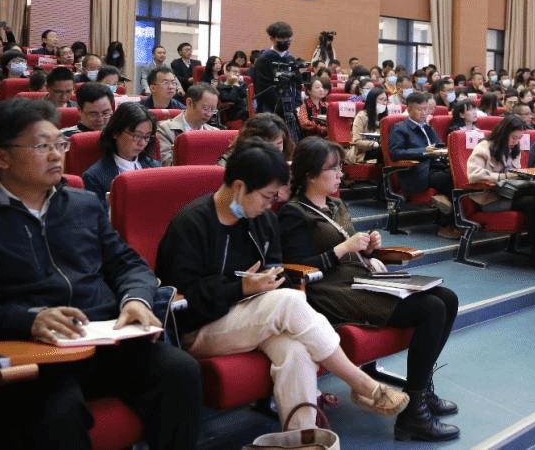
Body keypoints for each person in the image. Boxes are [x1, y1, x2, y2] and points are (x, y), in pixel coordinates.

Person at [0, 98, 201, 449]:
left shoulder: (83, 204)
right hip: (36, 353)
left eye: (59, 144)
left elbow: (128, 264)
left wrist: (136, 299)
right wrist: (28, 319)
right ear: (1, 157)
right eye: (42, 146)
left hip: (103, 338)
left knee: (180, 371)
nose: (55, 155)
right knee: (57, 413)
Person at [155, 139, 409, 434]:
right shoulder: (191, 224)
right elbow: (183, 299)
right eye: (266, 196)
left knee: (295, 351)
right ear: (239, 187)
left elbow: (279, 272)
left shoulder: (261, 221)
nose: (269, 205)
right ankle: (362, 383)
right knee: (289, 301)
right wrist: (241, 288)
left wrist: (267, 282)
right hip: (200, 327)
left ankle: (303, 437)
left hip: (254, 317)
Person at [279, 138, 460, 441]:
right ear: (310, 174)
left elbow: (352, 249)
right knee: (431, 308)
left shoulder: (336, 204)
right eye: (333, 168)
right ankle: (413, 414)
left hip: (359, 279)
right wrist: (345, 248)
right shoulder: (294, 213)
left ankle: (421, 391)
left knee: (448, 298)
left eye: (340, 167)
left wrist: (369, 249)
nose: (340, 174)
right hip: (330, 291)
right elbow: (297, 267)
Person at [467, 115, 535, 271]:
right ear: (503, 133)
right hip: (490, 198)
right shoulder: (485, 147)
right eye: (514, 137)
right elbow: (474, 175)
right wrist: (504, 177)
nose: (516, 141)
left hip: (509, 192)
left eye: (519, 138)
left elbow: (515, 171)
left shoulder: (513, 149)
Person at [388, 91, 459, 239]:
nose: (424, 113)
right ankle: (445, 225)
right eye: (419, 109)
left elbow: (438, 145)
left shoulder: (428, 127)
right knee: (451, 179)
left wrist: (444, 151)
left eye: (426, 109)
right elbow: (396, 153)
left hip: (436, 166)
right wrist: (424, 151)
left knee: (460, 176)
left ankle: (454, 220)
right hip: (417, 171)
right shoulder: (399, 128)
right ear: (409, 110)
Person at [82, 103, 161, 211]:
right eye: (136, 136)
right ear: (116, 132)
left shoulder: (156, 167)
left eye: (147, 137)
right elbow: (96, 217)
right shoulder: (94, 177)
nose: (142, 143)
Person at [157, 83, 219, 166]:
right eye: (205, 108)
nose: (209, 114)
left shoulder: (215, 133)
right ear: (189, 103)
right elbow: (166, 163)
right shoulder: (165, 130)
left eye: (213, 110)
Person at [253, 21, 300, 118]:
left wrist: (296, 104)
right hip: (270, 110)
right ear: (272, 39)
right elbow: (264, 88)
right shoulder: (264, 60)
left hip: (291, 108)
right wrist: (282, 107)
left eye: (288, 38)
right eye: (282, 38)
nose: (286, 41)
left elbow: (297, 84)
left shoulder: (291, 60)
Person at [217, 112, 295, 166]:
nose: (273, 151)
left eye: (279, 144)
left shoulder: (288, 160)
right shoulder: (230, 163)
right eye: (268, 145)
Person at [347, 86, 388, 164]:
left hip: (380, 148)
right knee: (384, 152)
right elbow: (356, 141)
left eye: (385, 100)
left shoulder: (385, 118)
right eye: (381, 99)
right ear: (372, 101)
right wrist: (373, 144)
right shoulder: (361, 116)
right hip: (362, 152)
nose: (384, 103)